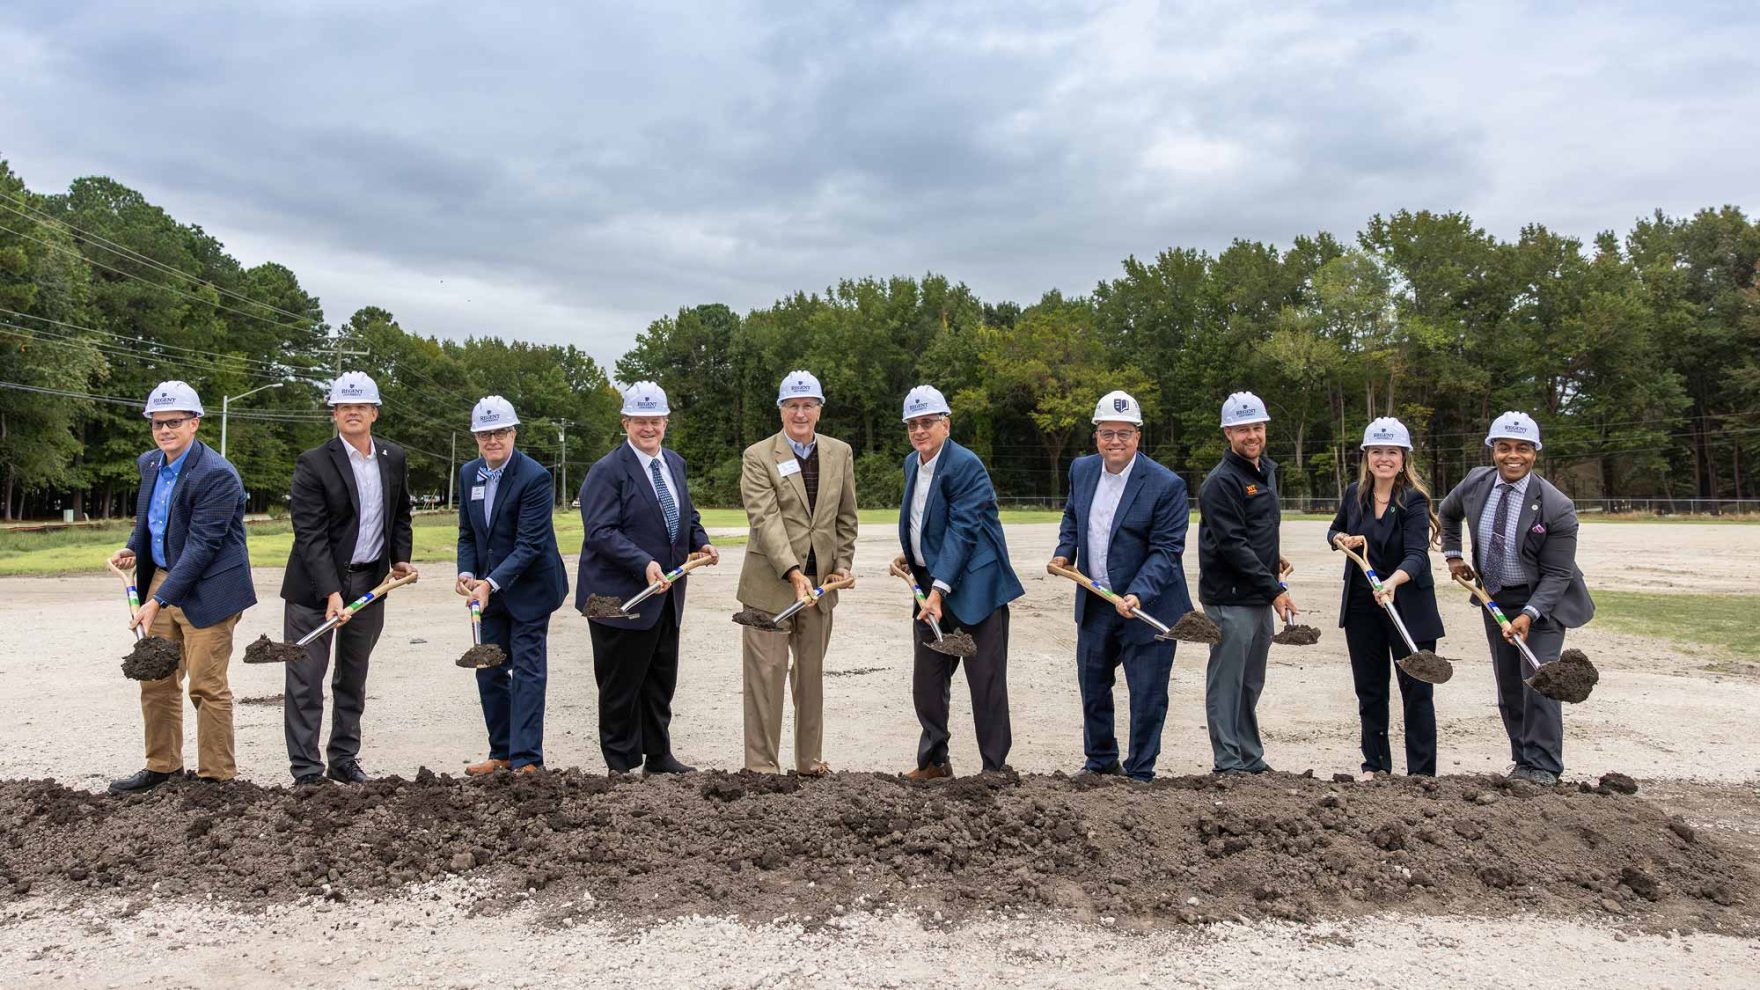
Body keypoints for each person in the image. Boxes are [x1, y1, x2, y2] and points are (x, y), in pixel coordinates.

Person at [106, 381, 256, 794]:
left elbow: (203, 546)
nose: (165, 430)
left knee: (206, 685)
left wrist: (157, 600)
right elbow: (152, 521)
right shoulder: (150, 464)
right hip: (162, 579)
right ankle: (162, 767)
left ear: (195, 423)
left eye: (174, 422)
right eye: (158, 423)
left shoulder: (217, 475)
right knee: (155, 678)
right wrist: (133, 548)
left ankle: (216, 778)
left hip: (210, 587)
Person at [1438, 411, 1594, 786]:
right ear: (1492, 450)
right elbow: (1447, 512)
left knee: (1540, 680)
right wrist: (1454, 555)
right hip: (1495, 599)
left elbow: (1558, 573)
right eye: (1504, 447)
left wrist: (1529, 613)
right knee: (1509, 685)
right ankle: (1522, 761)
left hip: (1544, 604)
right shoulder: (1477, 482)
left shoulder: (1557, 506)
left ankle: (1544, 768)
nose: (1513, 455)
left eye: (1522, 448)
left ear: (1534, 453)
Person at [278, 372, 415, 786]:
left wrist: (400, 559)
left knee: (352, 678)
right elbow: (310, 534)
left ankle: (344, 758)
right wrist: (331, 592)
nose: (352, 413)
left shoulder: (393, 457)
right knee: (305, 681)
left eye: (360, 406)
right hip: (314, 591)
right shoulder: (314, 463)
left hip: (370, 586)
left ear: (374, 413)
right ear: (334, 414)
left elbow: (401, 514)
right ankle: (306, 772)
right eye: (343, 407)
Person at [1049, 390, 1191, 781]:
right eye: (1107, 432)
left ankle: (1141, 771)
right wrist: (1065, 550)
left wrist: (1138, 593)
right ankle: (1100, 761)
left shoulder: (1166, 485)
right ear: (1096, 435)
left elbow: (1166, 550)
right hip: (1097, 600)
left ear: (1138, 436)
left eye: (1124, 434)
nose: (1115, 441)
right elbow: (1073, 517)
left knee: (1147, 694)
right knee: (1092, 684)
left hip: (1148, 607)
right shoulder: (1081, 470)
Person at [578, 382, 717, 775]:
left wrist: (701, 542)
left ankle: (658, 755)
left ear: (666, 422)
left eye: (655, 420)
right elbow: (601, 531)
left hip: (666, 594)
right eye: (640, 421)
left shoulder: (674, 463)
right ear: (625, 422)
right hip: (617, 599)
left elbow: (686, 515)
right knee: (620, 684)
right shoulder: (606, 471)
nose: (649, 428)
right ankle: (620, 764)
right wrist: (643, 563)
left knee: (659, 678)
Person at [892, 385, 1024, 778]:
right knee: (927, 683)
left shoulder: (966, 465)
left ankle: (995, 769)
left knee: (985, 684)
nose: (919, 430)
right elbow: (925, 519)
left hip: (974, 588)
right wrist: (914, 554)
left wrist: (938, 589)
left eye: (927, 422)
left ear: (945, 425)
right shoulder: (911, 464)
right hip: (931, 587)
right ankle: (935, 762)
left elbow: (963, 530)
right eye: (912, 424)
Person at [735, 370, 859, 775]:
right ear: (781, 410)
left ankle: (809, 762)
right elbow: (765, 520)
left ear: (819, 411)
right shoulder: (758, 456)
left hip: (819, 589)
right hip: (770, 586)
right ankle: (761, 768)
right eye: (793, 406)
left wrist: (841, 565)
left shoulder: (840, 453)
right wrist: (792, 571)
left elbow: (846, 517)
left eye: (808, 405)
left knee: (811, 679)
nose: (800, 413)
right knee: (764, 681)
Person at [455, 396, 569, 775]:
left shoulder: (534, 477)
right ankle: (501, 753)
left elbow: (530, 546)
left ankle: (527, 760)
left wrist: (490, 581)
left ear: (513, 433)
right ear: (475, 437)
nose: (493, 440)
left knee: (527, 672)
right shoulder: (469, 473)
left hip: (531, 589)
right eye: (485, 433)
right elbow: (468, 534)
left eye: (500, 432)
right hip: (490, 593)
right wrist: (466, 573)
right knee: (488, 668)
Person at [1326, 417, 1443, 780]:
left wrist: (1392, 581)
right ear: (1366, 456)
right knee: (1371, 691)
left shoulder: (1413, 500)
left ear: (1403, 457)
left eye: (1391, 452)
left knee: (1417, 693)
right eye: (1377, 451)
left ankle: (1421, 776)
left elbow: (1416, 555)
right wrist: (1342, 539)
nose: (1384, 459)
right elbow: (1334, 530)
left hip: (1408, 606)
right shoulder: (1354, 494)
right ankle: (1375, 767)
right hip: (1363, 607)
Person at [1197, 390, 1296, 776]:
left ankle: (1250, 758)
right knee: (1227, 682)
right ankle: (1228, 762)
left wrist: (1273, 560)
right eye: (1242, 430)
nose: (1251, 435)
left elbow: (1257, 529)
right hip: (1231, 599)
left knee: (1251, 682)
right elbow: (1233, 545)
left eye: (1257, 427)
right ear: (1228, 433)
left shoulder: (1265, 471)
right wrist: (1276, 589)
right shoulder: (1221, 483)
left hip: (1258, 592)